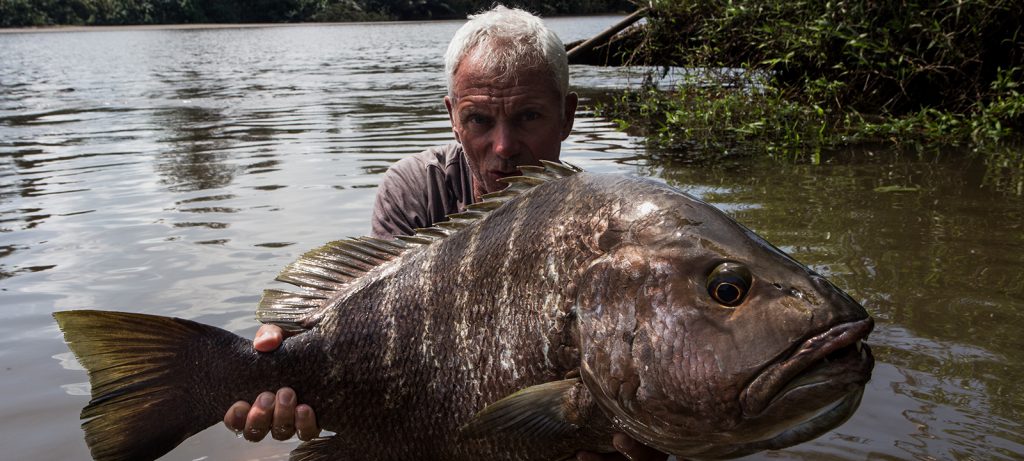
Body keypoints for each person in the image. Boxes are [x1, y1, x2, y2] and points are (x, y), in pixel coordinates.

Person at [223, 6, 668, 461]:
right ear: (452, 116)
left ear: (567, 115)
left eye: (529, 116)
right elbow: (376, 325)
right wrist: (281, 353)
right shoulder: (416, 190)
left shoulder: (611, 229)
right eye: (479, 120)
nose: (503, 146)